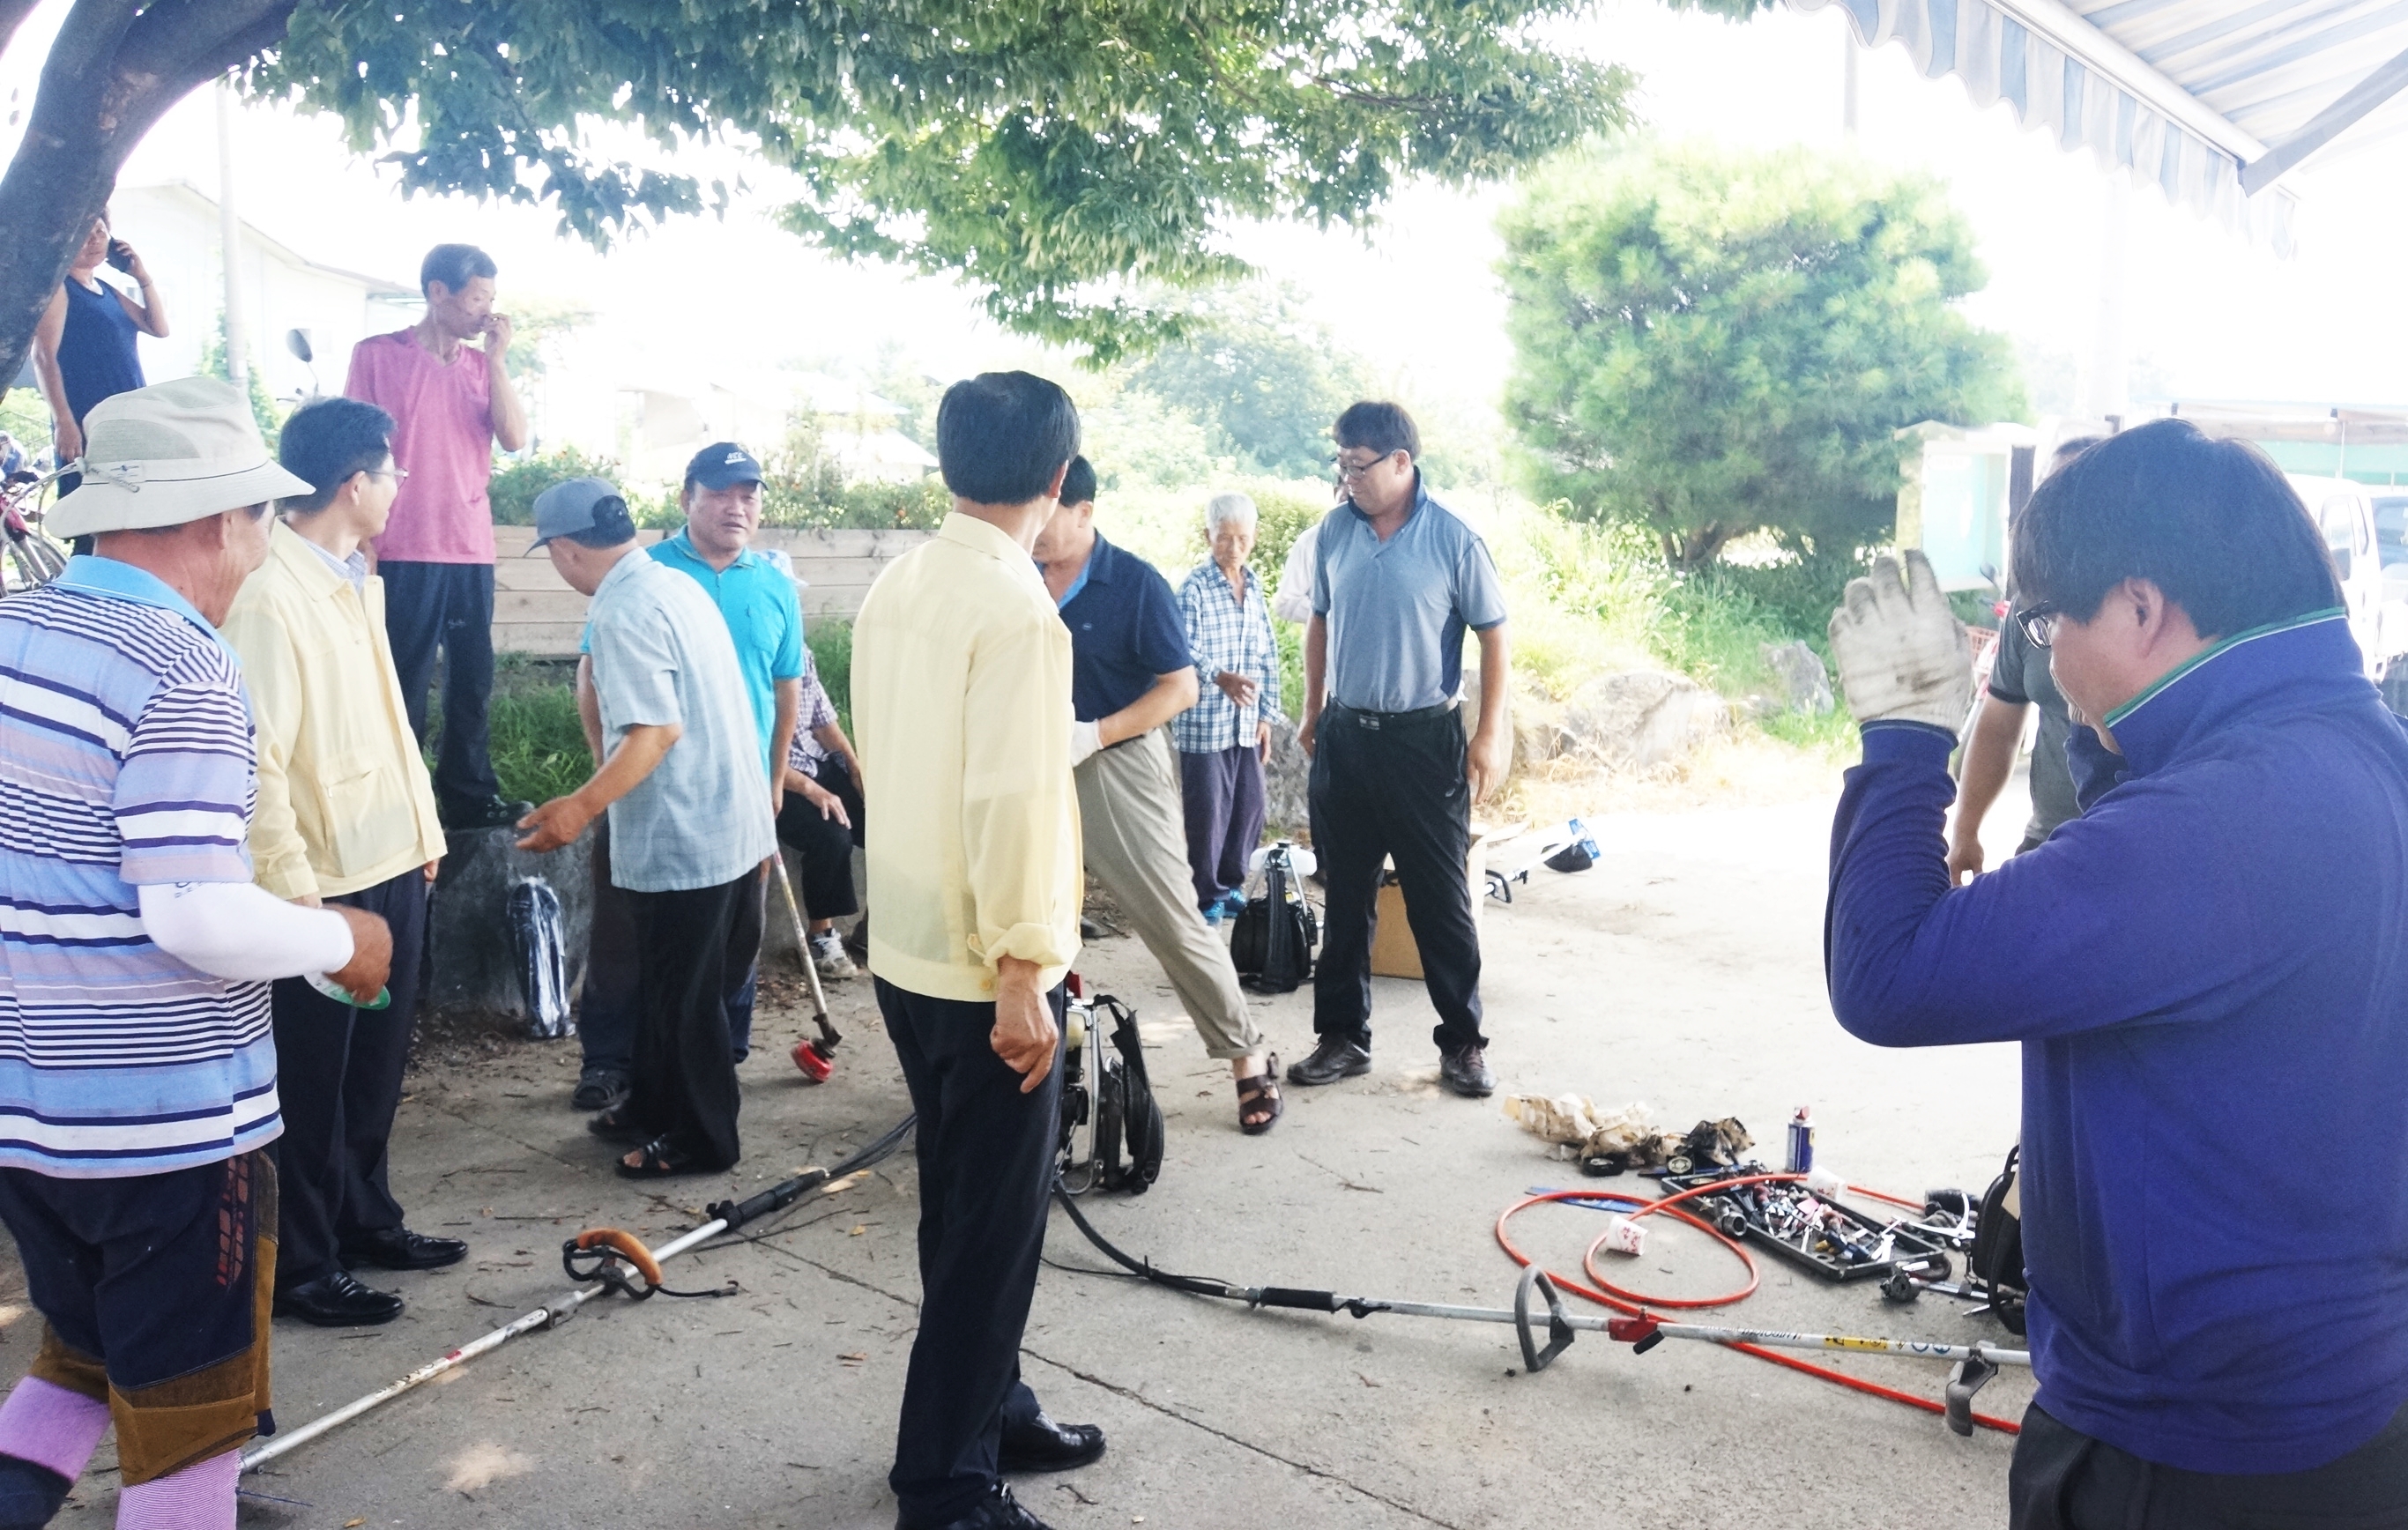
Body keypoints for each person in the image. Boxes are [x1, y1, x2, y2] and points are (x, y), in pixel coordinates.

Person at [1824, 420, 2408, 1528]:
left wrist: (1904, 738)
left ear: (2140, 608)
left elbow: (1886, 973)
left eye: (2046, 623)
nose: (2039, 663)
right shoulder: (2364, 751)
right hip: (2338, 1405)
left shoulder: (2217, 823)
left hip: (2190, 1454)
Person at [0, 377, 392, 1530]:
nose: (265, 540)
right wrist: (343, 939)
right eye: (261, 516)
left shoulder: (18, 631)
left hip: (29, 1118)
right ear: (221, 518)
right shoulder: (182, 664)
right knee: (194, 1426)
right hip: (162, 1134)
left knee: (78, 1355)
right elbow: (194, 915)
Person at [855, 373, 1104, 1530]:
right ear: (1056, 482)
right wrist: (1024, 970)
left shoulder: (900, 584)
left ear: (950, 464)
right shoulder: (1019, 613)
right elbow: (1014, 802)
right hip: (975, 966)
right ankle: (946, 1486)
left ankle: (990, 1406)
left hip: (906, 946)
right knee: (988, 1228)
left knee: (962, 1208)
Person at [219, 397, 463, 1330]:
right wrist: (293, 888)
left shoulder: (355, 575)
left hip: (392, 856)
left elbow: (394, 719)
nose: (400, 488)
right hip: (326, 877)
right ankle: (303, 1263)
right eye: (392, 472)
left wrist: (427, 828)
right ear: (354, 483)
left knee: (374, 1071)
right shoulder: (271, 593)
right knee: (312, 1086)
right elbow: (259, 757)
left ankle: (366, 1220)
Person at [515, 479, 774, 1178]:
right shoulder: (672, 583)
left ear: (564, 550)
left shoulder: (626, 609)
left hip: (691, 831)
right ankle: (652, 1104)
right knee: (667, 987)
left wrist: (578, 806)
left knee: (686, 999)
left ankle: (703, 1137)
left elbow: (655, 731)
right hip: (720, 820)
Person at [1035, 459, 1280, 1133]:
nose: (1032, 527)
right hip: (1029, 763)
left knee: (1173, 918)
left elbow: (1181, 686)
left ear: (1083, 511)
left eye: (1046, 511)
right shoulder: (1014, 577)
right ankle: (1029, 1069)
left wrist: (1095, 734)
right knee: (1018, 920)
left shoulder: (1134, 583)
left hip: (1115, 759)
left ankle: (1245, 1054)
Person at [569, 443, 800, 1110]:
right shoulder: (649, 571)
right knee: (624, 930)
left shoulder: (773, 583)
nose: (737, 507)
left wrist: (775, 775)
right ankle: (610, 1059)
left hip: (740, 791)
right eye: (721, 492)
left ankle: (716, 1054)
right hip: (649, 788)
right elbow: (592, 676)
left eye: (749, 494)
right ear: (687, 499)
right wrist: (605, 768)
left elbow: (788, 688)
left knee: (735, 932)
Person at [1290, 402, 1511, 1099]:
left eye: (1358, 465)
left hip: (1424, 742)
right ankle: (1342, 1037)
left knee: (1439, 900)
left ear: (1400, 462)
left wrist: (1488, 731)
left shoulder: (1453, 540)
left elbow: (1494, 634)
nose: (1347, 478)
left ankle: (1463, 1045)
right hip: (1347, 737)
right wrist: (1313, 708)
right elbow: (1319, 622)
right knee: (1345, 895)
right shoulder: (1334, 534)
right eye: (1341, 464)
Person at [345, 242, 531, 831]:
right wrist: (359, 537)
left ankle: (470, 797)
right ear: (438, 293)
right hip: (402, 544)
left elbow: (515, 437)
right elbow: (354, 446)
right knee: (403, 678)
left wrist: (498, 362)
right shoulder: (378, 356)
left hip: (469, 547)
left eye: (491, 300)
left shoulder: (482, 368)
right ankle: (397, 798)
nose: (486, 312)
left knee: (472, 678)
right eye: (477, 298)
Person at [1947, 436, 2104, 880]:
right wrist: (1966, 830)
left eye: (2075, 494)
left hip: (2132, 846)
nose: (2056, 512)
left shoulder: (2146, 609)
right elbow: (1998, 727)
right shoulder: (2027, 607)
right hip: (2047, 841)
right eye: (2047, 493)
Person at [1173, 491, 1282, 922]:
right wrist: (1219, 676)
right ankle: (1206, 896)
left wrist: (1266, 717)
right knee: (1207, 814)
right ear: (1208, 536)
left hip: (1244, 724)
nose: (1233, 548)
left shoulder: (1254, 588)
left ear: (1253, 539)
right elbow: (1182, 648)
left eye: (1241, 539)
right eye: (1223, 538)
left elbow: (1267, 656)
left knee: (1249, 806)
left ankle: (1231, 884)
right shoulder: (1195, 588)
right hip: (1205, 724)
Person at [30, 210, 167, 495]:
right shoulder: (59, 289)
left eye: (100, 232)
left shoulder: (106, 290)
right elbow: (44, 357)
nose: (94, 241)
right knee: (95, 507)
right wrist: (63, 420)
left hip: (126, 414)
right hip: (87, 415)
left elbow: (159, 328)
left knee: (133, 509)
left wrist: (142, 277)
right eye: (84, 235)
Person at [774, 641, 866, 980]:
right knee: (831, 836)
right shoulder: (738, 658)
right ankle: (821, 938)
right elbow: (747, 749)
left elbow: (822, 721)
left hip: (817, 762)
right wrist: (811, 790)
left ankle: (875, 929)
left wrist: (854, 767)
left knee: (884, 817)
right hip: (776, 778)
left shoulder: (798, 650)